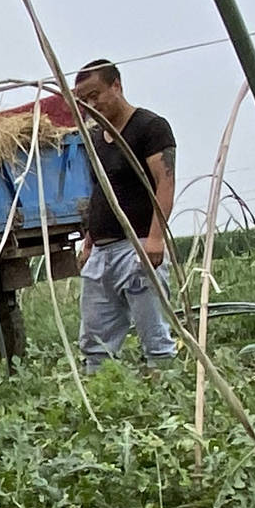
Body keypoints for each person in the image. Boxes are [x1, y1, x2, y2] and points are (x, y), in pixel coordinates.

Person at [72, 59, 177, 371]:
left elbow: (165, 183)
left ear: (116, 86)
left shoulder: (149, 127)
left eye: (95, 95)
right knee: (94, 340)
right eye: (84, 100)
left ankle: (166, 394)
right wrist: (89, 242)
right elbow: (100, 195)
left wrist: (156, 239)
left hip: (138, 245)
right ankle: (102, 399)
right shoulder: (95, 139)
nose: (91, 104)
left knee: (153, 334)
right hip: (102, 251)